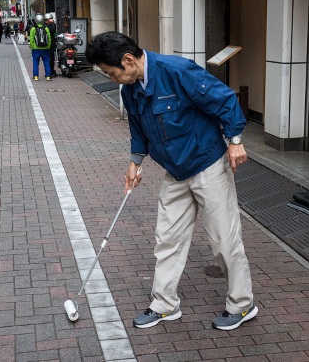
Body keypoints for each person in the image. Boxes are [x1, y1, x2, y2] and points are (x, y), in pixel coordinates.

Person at [85, 31, 256, 331]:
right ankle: (164, 305)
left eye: (112, 74)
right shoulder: (130, 90)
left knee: (223, 240)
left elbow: (225, 100)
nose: (111, 79)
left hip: (207, 163)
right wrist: (134, 164)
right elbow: (139, 132)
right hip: (175, 172)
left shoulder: (176, 71)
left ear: (127, 60)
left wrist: (235, 140)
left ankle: (242, 305)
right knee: (167, 239)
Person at [28, 14, 52, 81]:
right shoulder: (46, 28)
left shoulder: (33, 29)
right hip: (45, 48)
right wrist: (48, 46)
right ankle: (48, 76)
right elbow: (49, 38)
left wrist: (32, 47)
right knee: (46, 62)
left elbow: (31, 39)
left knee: (35, 62)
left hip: (36, 49)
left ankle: (35, 76)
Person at [44, 13, 58, 78]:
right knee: (50, 59)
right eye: (50, 18)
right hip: (49, 45)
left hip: (48, 45)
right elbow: (53, 30)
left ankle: (50, 71)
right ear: (47, 19)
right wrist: (53, 23)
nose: (52, 20)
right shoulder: (47, 26)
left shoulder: (44, 25)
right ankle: (50, 72)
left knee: (49, 59)